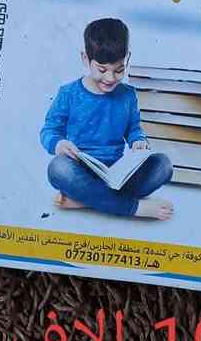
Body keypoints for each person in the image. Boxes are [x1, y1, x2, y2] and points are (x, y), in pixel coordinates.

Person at [40, 17, 174, 220]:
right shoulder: (68, 93)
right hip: (80, 171)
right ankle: (132, 207)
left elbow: (133, 128)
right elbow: (49, 130)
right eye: (102, 70)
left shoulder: (128, 95)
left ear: (127, 58)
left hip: (118, 175)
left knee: (163, 165)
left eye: (119, 70)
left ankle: (86, 201)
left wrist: (138, 141)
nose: (110, 78)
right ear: (86, 59)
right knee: (58, 168)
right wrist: (58, 144)